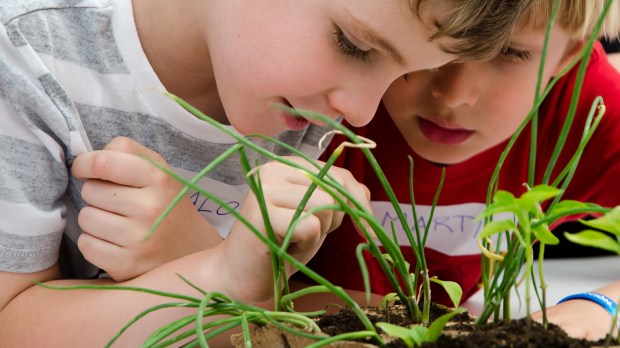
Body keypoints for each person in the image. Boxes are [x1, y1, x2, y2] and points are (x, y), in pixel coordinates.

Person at [0, 0, 533, 346]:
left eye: (405, 72)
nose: (365, 112)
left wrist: (222, 263)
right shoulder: (25, 52)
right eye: (356, 46)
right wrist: (218, 274)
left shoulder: (296, 101)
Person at [300, 0, 620, 341]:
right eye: (438, 40)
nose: (454, 95)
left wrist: (599, 305)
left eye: (510, 52)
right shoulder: (319, 95)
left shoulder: (587, 109)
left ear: (569, 54)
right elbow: (239, 283)